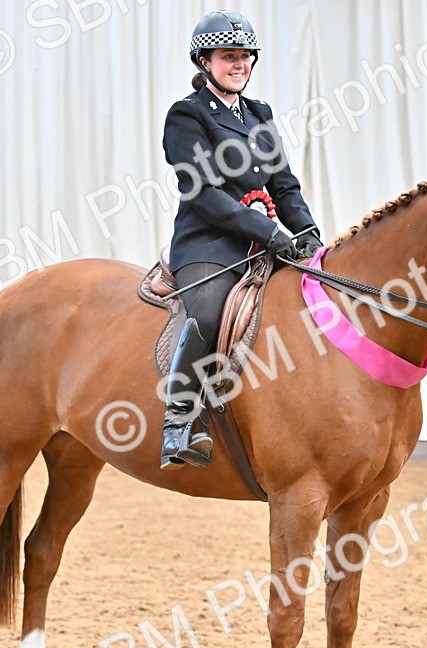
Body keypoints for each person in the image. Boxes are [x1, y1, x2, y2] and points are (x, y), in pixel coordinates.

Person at [159, 10, 322, 470]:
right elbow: (204, 194)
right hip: (208, 243)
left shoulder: (258, 114)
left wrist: (309, 236)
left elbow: (284, 187)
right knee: (210, 310)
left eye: (246, 56)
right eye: (228, 56)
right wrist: (270, 233)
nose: (240, 64)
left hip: (262, 244)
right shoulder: (187, 115)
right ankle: (179, 421)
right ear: (205, 62)